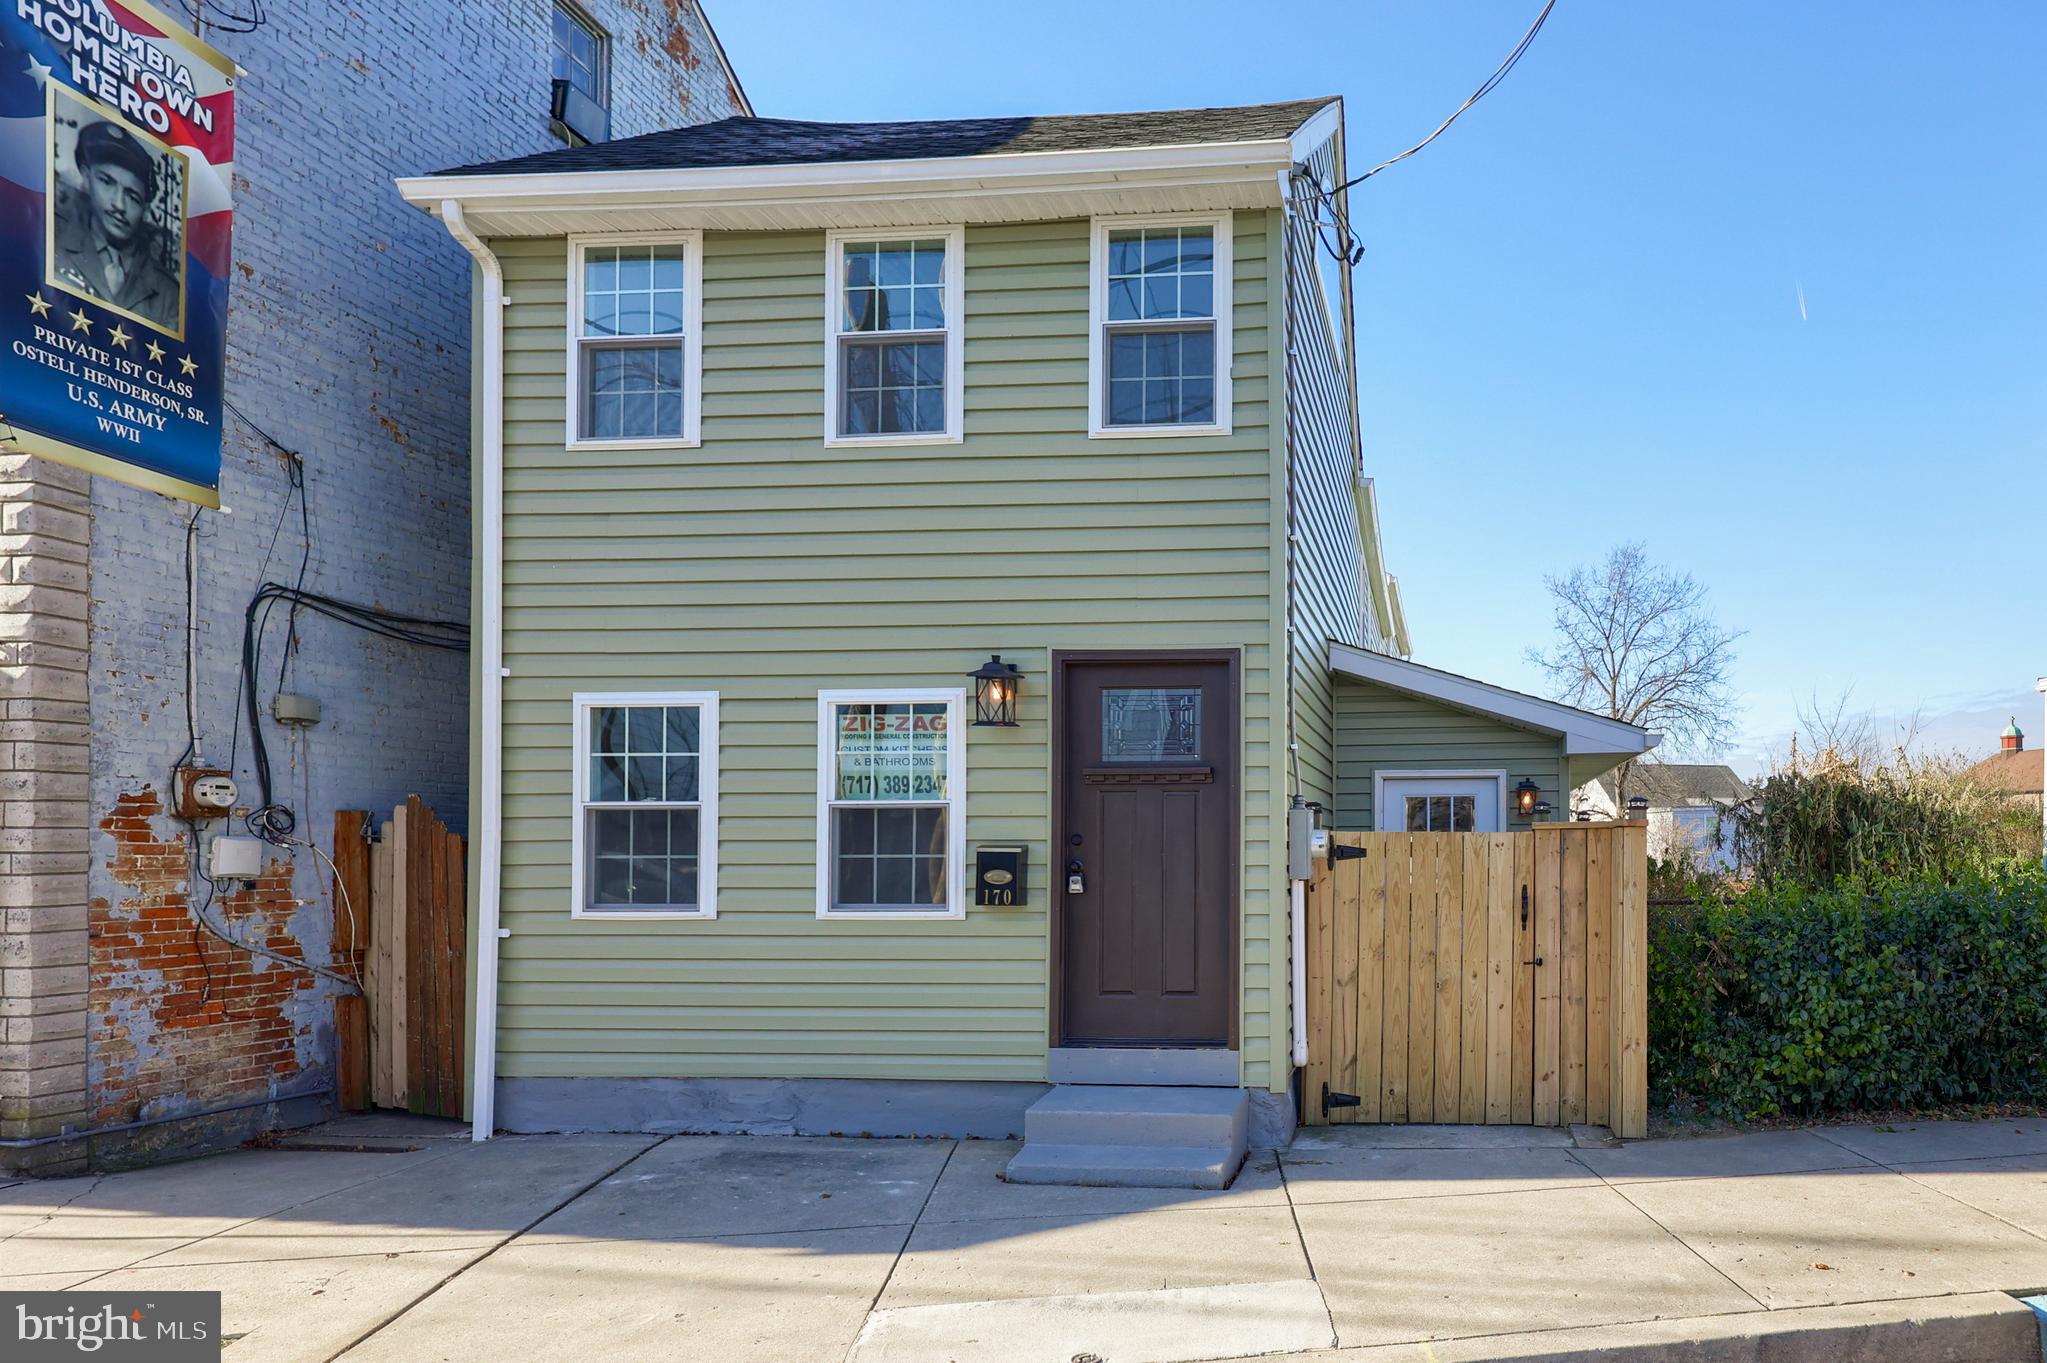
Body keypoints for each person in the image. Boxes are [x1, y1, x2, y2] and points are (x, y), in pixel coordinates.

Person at [51, 119, 180, 332]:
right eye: (107, 182)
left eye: (133, 197)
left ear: (145, 209)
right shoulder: (51, 239)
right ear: (86, 176)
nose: (119, 205)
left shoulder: (167, 293)